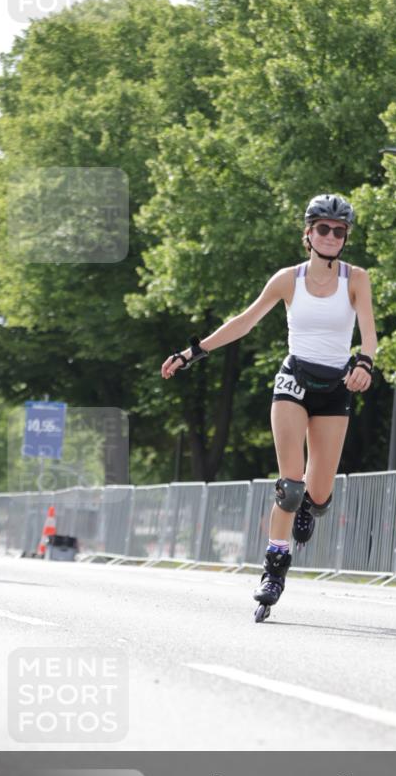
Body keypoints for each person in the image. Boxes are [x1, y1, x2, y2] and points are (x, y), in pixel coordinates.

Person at [161, 193, 377, 617]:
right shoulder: (287, 279)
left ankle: (309, 509)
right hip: (294, 380)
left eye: (339, 230)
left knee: (318, 495)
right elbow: (244, 321)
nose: (331, 236)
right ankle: (274, 569)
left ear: (345, 237)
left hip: (335, 387)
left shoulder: (356, 279)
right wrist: (192, 353)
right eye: (323, 229)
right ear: (308, 234)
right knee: (290, 486)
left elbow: (368, 331)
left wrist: (365, 362)